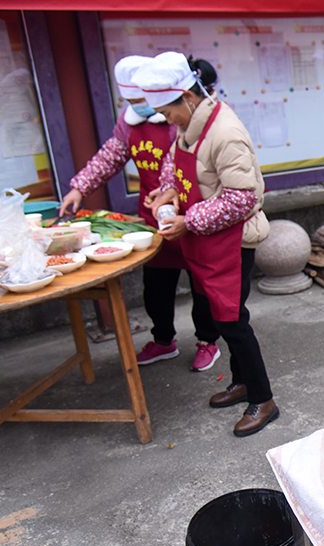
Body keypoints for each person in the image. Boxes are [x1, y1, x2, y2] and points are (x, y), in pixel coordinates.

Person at [132, 52, 276, 437]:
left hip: (233, 242)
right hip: (209, 241)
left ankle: (263, 399)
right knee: (218, 317)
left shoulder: (224, 132)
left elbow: (242, 198)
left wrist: (188, 220)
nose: (166, 119)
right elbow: (174, 165)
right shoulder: (191, 124)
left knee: (232, 321)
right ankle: (242, 381)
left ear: (188, 97)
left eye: (167, 111)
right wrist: (165, 192)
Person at [59, 55, 221, 372]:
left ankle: (208, 340)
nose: (140, 106)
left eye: (143, 100)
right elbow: (110, 157)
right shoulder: (129, 121)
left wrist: (167, 193)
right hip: (153, 221)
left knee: (202, 286)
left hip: (189, 216)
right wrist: (79, 187)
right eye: (132, 101)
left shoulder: (181, 116)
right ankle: (163, 340)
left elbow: (176, 164)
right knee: (156, 286)